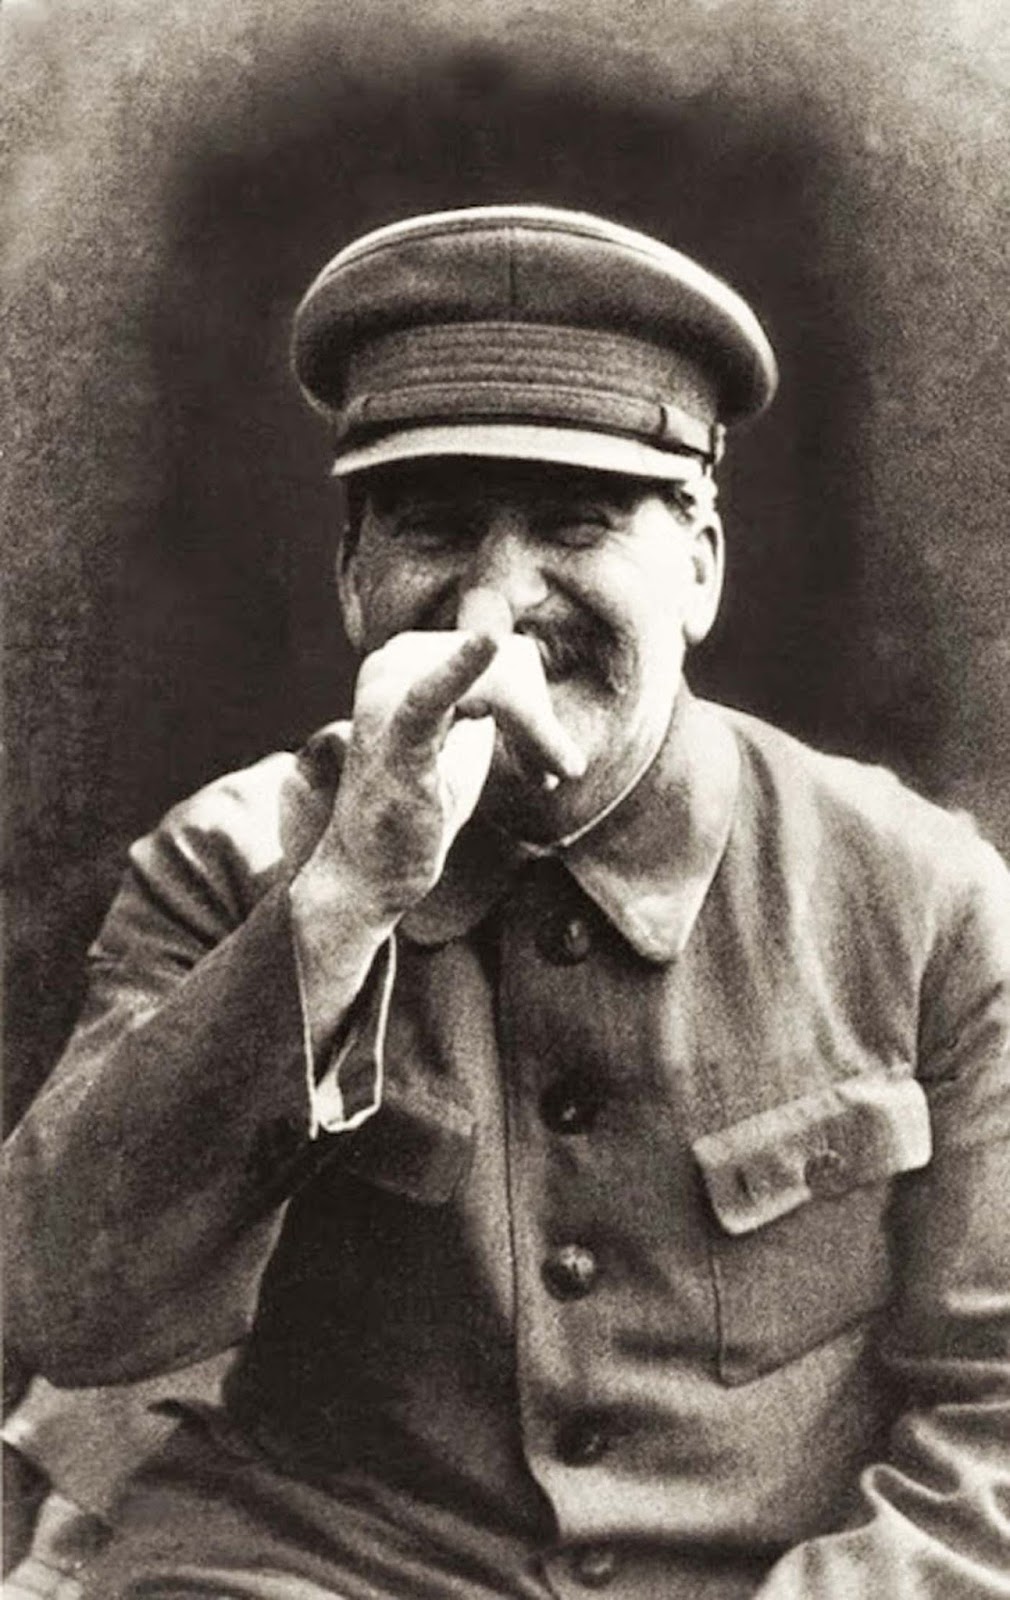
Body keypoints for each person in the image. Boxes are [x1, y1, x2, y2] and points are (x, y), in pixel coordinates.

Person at [4, 205, 1009, 1600]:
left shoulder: (929, 901)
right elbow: (65, 1304)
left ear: (699, 565)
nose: (494, 607)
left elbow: (995, 1419)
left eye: (575, 523)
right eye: (435, 526)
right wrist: (348, 894)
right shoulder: (230, 863)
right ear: (351, 577)